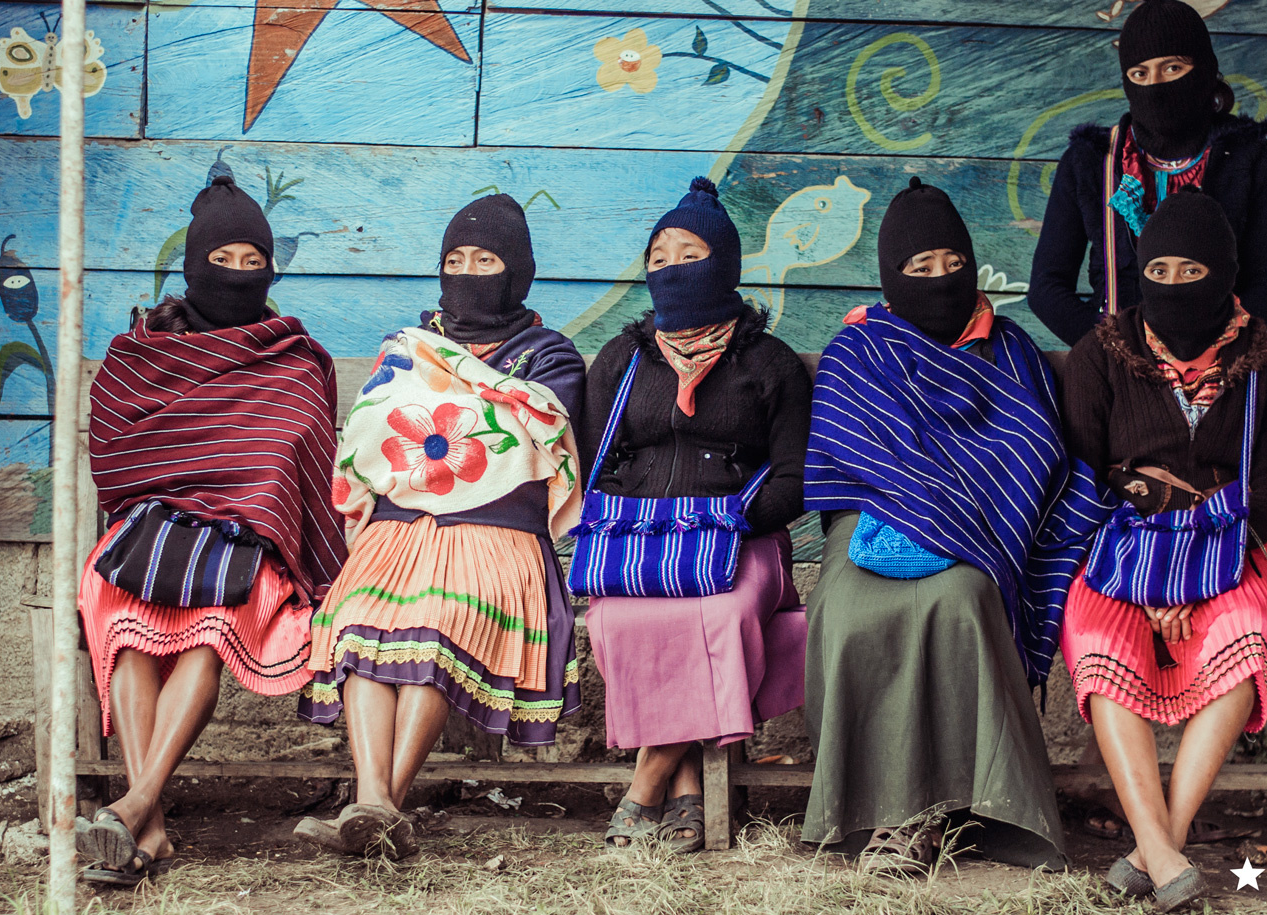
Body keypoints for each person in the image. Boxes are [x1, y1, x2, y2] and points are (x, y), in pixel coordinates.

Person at [802, 178, 1110, 874]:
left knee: (964, 599)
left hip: (984, 533)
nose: (941, 279)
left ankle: (933, 814)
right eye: (920, 268)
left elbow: (1035, 450)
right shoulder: (860, 350)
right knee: (846, 611)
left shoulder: (1010, 347)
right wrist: (924, 498)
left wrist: (959, 507)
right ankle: (885, 812)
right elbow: (848, 451)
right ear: (891, 277)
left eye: (952, 262)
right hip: (876, 524)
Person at [294, 194, 585, 858]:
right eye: (456, 259)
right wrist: (476, 409)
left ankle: (373, 807)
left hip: (499, 533)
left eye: (486, 259)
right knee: (361, 618)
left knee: (435, 624)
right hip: (401, 528)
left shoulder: (550, 354)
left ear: (518, 271)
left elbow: (530, 445)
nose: (468, 270)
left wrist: (445, 414)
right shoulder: (408, 346)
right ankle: (376, 806)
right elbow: (372, 430)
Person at [76, 175, 346, 884]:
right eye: (222, 258)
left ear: (270, 270)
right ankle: (149, 823)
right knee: (129, 624)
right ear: (195, 264)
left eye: (252, 261)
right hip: (146, 526)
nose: (237, 273)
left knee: (207, 625)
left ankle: (135, 804)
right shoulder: (144, 351)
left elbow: (295, 457)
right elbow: (116, 445)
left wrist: (240, 494)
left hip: (243, 532)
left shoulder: (292, 358)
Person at [1060, 191, 1267, 911]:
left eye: (1190, 269)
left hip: (1233, 552)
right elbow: (1084, 476)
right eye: (1158, 268)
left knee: (1247, 633)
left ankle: (1153, 847)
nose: (1172, 283)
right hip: (1121, 555)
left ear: (1223, 273)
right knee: (1101, 642)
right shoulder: (1100, 356)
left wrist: (1197, 578)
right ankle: (1168, 856)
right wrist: (1155, 579)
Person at [581, 177, 811, 852]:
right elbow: (595, 456)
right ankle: (689, 797)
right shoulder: (623, 358)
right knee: (620, 618)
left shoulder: (769, 364)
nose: (671, 266)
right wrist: (652, 516)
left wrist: (725, 522)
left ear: (725, 264)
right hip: (643, 550)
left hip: (741, 547)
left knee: (723, 615)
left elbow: (799, 476)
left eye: (689, 252)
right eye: (659, 255)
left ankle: (646, 782)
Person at [1028, 0, 1267, 347]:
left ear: (1203, 69)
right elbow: (1047, 287)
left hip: (1220, 368)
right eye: (1140, 73)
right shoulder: (1091, 163)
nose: (1155, 85)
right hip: (1115, 370)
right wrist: (1111, 352)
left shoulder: (1250, 160)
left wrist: (1215, 353)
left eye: (1172, 68)